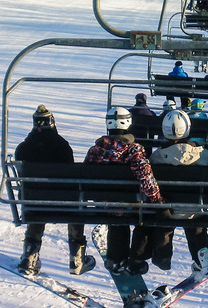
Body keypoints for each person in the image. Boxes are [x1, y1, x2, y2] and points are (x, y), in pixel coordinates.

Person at [84, 107, 168, 275]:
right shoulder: (133, 150)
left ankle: (116, 259)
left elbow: (85, 177)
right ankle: (136, 259)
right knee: (145, 218)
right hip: (133, 205)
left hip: (105, 204)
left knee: (116, 220)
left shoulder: (95, 151)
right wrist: (158, 201)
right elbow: (146, 177)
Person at [14, 105, 96, 276]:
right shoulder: (62, 146)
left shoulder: (22, 149)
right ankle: (77, 259)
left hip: (33, 202)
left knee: (38, 204)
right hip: (63, 202)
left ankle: (29, 257)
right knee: (76, 206)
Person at [149, 110, 208, 276]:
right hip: (194, 209)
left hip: (167, 209)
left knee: (163, 222)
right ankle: (202, 255)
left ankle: (162, 256)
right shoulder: (201, 155)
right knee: (196, 225)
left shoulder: (156, 157)